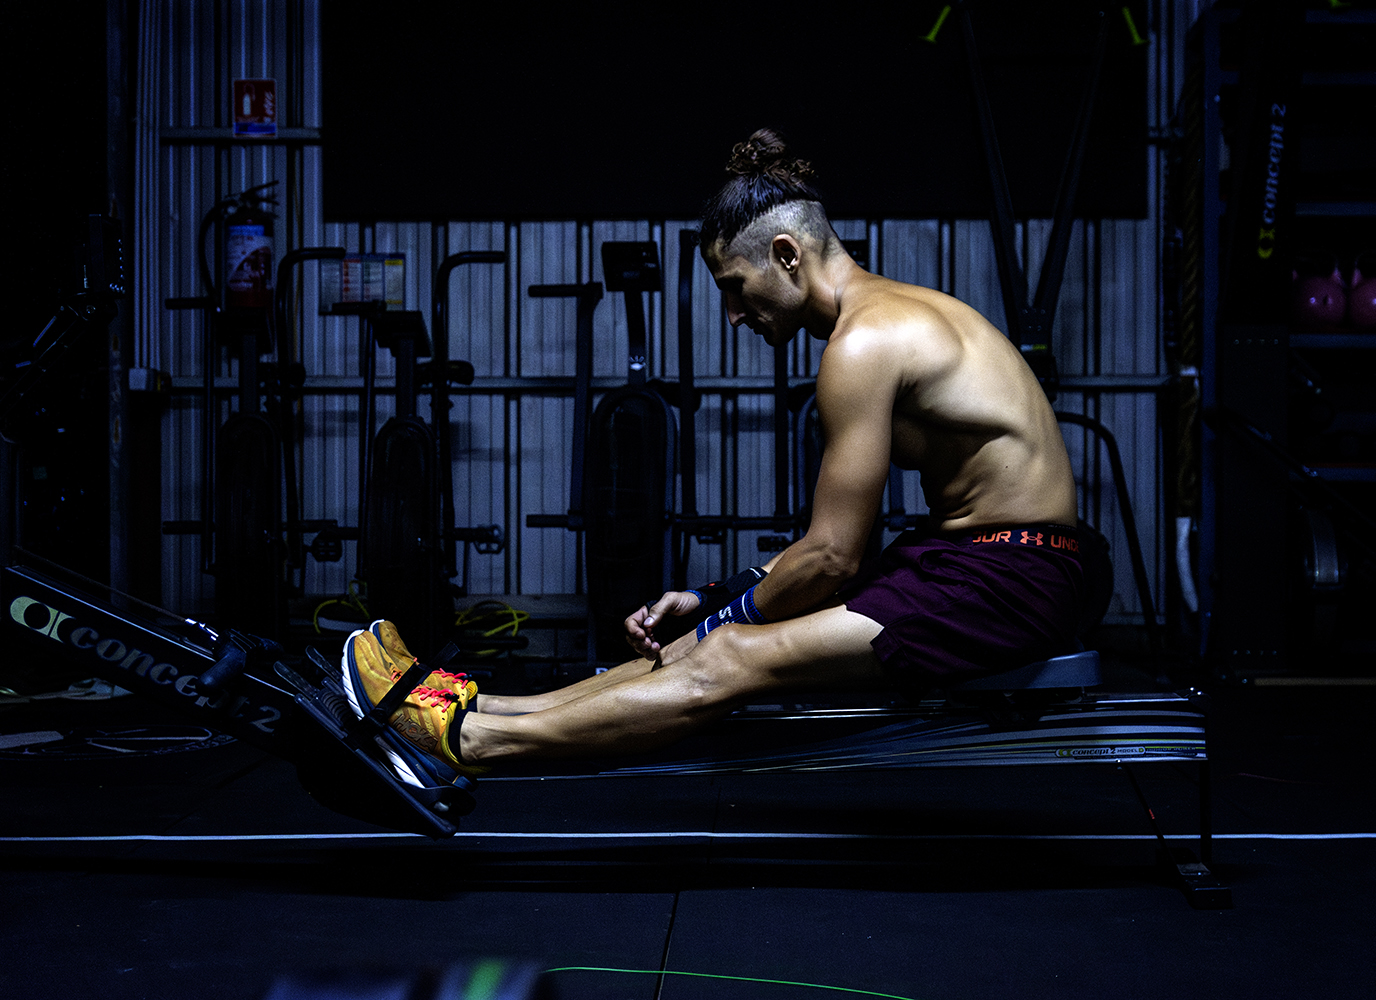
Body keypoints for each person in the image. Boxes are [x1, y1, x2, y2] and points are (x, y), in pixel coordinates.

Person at [342, 128, 1085, 782]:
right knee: (711, 637)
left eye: (735, 287)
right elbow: (821, 555)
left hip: (1015, 578)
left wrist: (716, 624)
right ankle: (465, 704)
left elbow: (832, 561)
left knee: (727, 655)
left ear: (788, 254)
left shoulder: (865, 342)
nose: (733, 314)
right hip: (972, 559)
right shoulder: (893, 316)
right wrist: (711, 598)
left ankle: (464, 742)